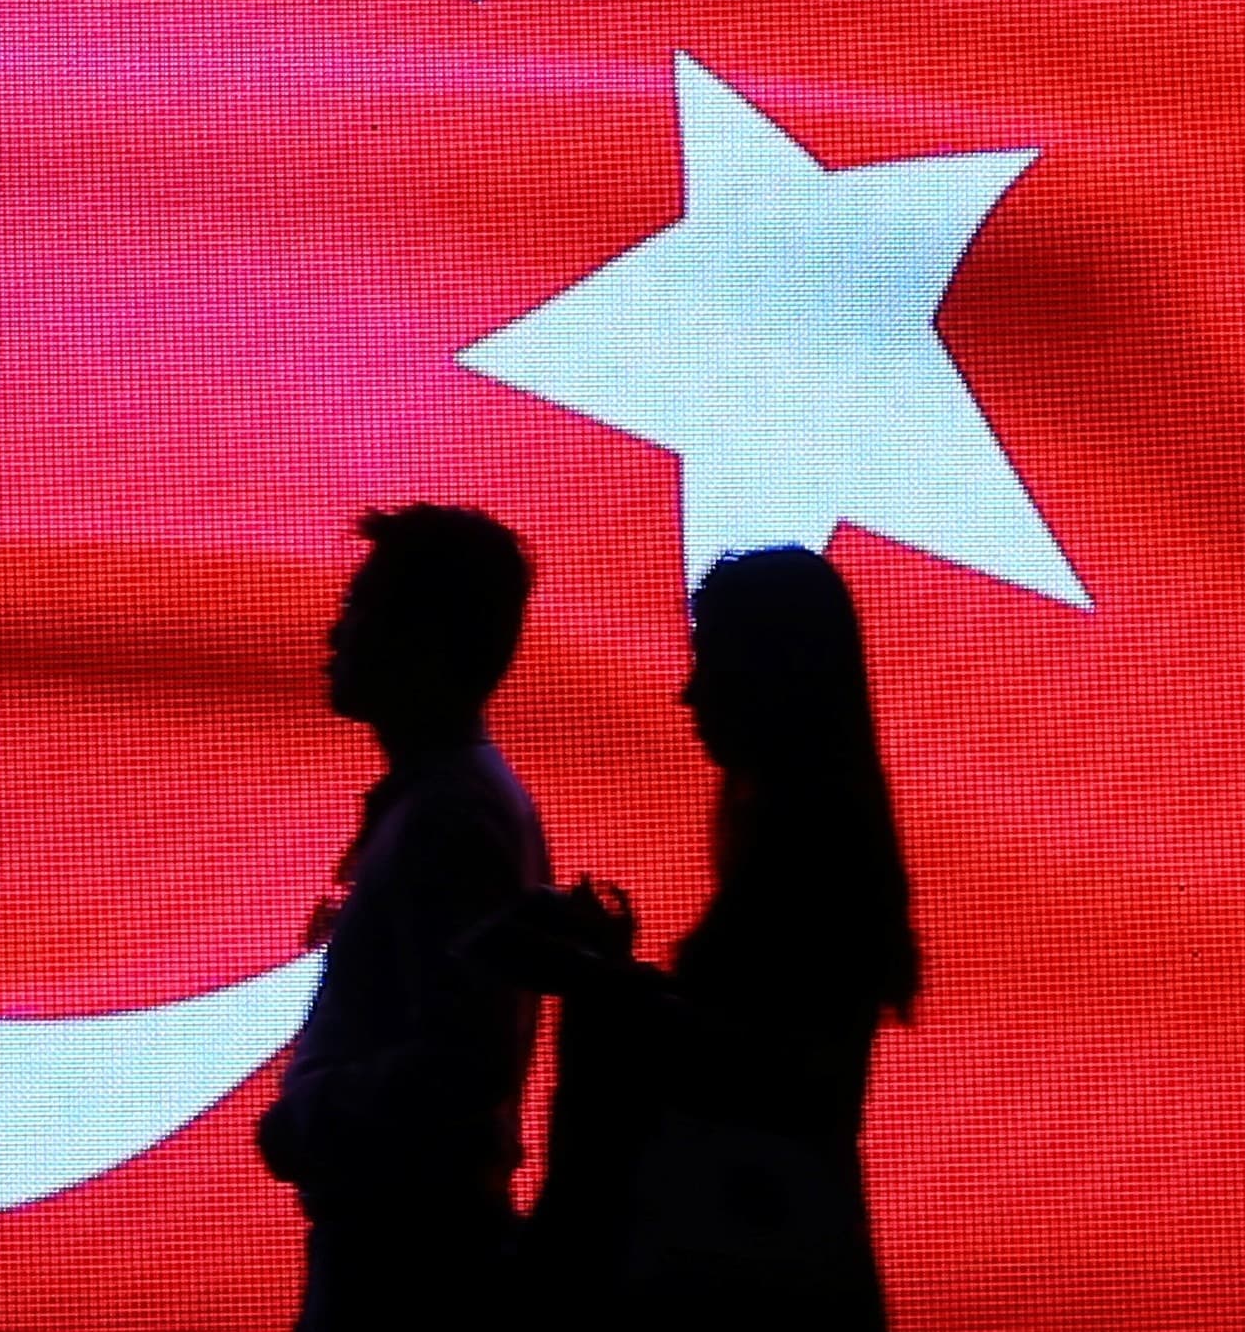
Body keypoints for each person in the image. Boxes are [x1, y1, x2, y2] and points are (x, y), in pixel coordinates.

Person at [487, 545, 919, 1331]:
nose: (690, 691)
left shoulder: (813, 847)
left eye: (713, 658)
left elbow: (777, 1068)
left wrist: (603, 981)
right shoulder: (817, 839)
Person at [258, 505, 554, 1330]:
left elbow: (462, 1059)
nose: (337, 632)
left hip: (408, 1260)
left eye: (363, 607)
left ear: (426, 640)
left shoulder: (452, 818)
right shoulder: (445, 804)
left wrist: (310, 1116)